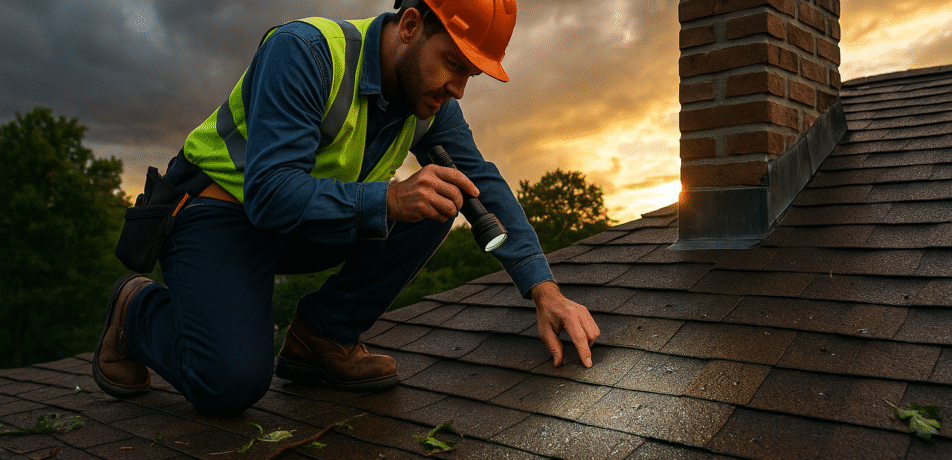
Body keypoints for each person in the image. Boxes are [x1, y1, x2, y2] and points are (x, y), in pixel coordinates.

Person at [93, 0, 600, 417]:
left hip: (304, 223)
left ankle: (323, 336)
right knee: (228, 385)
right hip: (219, 216)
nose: (458, 89)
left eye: (470, 75)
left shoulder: (430, 103)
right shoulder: (304, 53)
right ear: (409, 26)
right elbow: (269, 195)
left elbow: (481, 184)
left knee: (445, 195)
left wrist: (544, 290)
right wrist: (391, 198)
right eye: (452, 64)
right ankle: (135, 308)